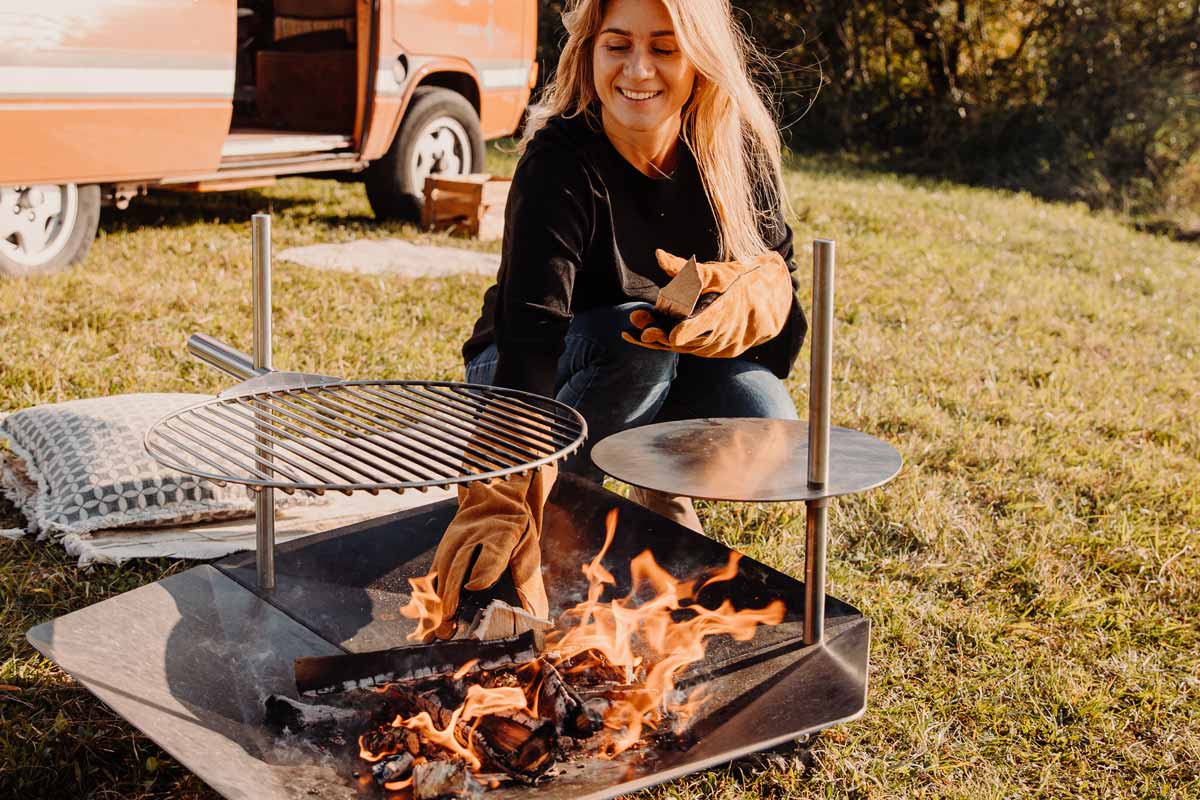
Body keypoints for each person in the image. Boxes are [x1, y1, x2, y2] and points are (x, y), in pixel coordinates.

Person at [426, 0, 808, 636]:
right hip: (525, 373)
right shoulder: (559, 157)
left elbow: (783, 341)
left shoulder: (733, 150)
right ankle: (551, 525)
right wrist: (505, 481)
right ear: (590, 52)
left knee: (762, 410)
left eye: (664, 48)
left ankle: (656, 500)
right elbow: (530, 334)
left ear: (699, 60)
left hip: (659, 368)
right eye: (618, 44)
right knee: (635, 343)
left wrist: (762, 300)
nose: (638, 69)